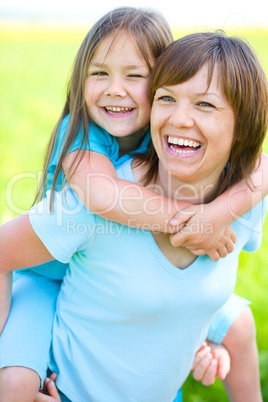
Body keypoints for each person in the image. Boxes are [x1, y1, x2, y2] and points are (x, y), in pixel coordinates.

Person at [0, 30, 267, 402]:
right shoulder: (91, 199)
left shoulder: (248, 196)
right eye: (167, 98)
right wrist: (196, 220)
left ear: (243, 126)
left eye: (205, 105)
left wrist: (204, 336)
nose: (179, 119)